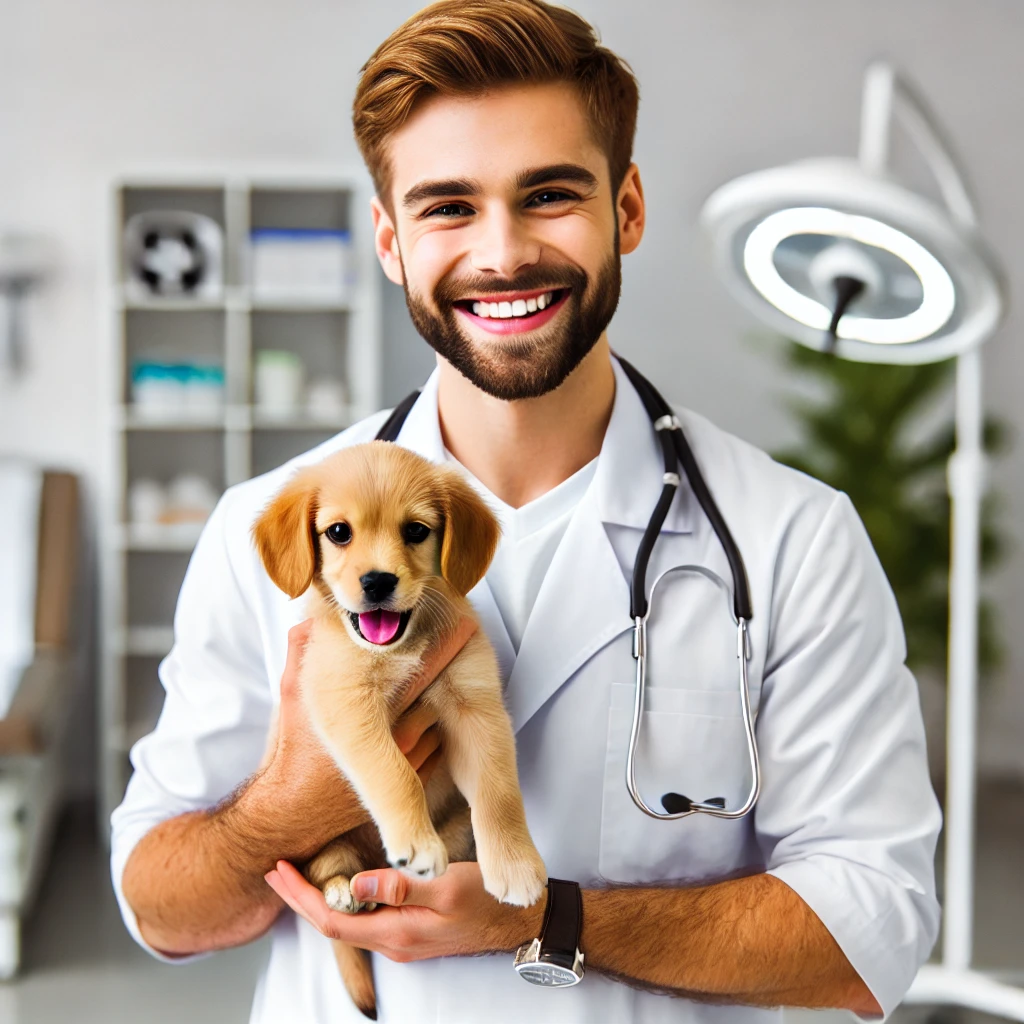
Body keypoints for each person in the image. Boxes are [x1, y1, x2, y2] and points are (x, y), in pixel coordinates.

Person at [111, 2, 941, 1021]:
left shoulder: (792, 540)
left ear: (626, 210)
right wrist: (291, 802)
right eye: (447, 206)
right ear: (389, 240)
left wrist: (545, 918)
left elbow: (874, 936)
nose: (502, 253)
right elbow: (159, 907)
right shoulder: (273, 523)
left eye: (548, 194)